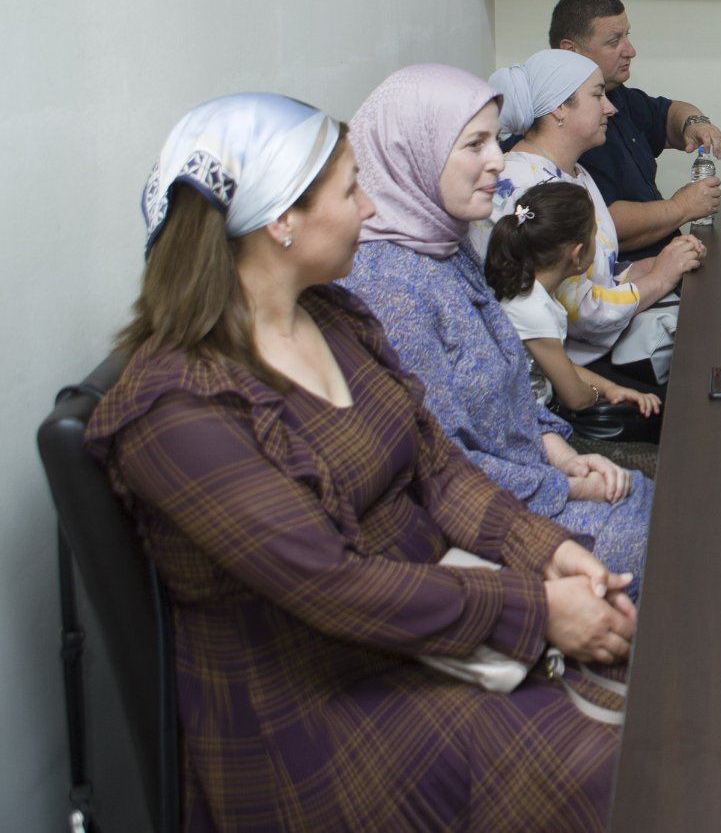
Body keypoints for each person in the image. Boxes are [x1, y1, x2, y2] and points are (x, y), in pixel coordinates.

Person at [87, 93, 633, 832]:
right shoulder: (177, 412)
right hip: (312, 710)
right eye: (350, 191)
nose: (371, 209)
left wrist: (550, 551)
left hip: (420, 633)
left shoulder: (334, 316)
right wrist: (536, 608)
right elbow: (333, 585)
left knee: (635, 689)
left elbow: (437, 467)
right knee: (603, 765)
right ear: (281, 219)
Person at [341, 64, 656, 587]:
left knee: (665, 506)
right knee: (664, 533)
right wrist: (563, 485)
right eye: (474, 144)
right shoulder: (391, 287)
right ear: (412, 153)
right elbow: (438, 465)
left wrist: (560, 452)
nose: (496, 160)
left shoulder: (444, 243)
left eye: (494, 140)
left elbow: (511, 383)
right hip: (483, 520)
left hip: (528, 477)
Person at [481, 48, 702, 386]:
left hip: (591, 344)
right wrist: (659, 278)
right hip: (562, 369)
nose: (610, 108)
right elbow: (582, 314)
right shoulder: (529, 188)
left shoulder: (574, 173)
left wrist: (653, 265)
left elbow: (592, 272)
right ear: (559, 108)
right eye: (598, 95)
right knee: (691, 383)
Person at [551, 0, 721, 262]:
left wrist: (694, 123)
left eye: (627, 36)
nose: (630, 51)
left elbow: (669, 114)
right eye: (614, 41)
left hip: (661, 260)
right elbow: (599, 224)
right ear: (570, 51)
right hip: (621, 271)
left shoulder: (618, 95)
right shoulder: (562, 123)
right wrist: (681, 207)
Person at [485, 180, 664, 442]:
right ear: (577, 253)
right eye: (595, 236)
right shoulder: (533, 309)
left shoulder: (531, 291)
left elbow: (560, 365)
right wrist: (598, 395)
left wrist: (612, 389)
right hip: (527, 430)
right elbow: (576, 399)